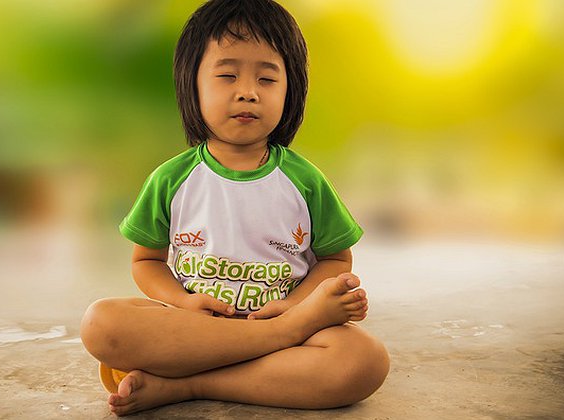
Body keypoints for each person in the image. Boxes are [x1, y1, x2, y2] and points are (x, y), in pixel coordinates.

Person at [80, 0, 389, 415]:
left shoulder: (306, 181)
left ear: (290, 90)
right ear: (193, 85)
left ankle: (188, 384)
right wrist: (184, 302)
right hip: (196, 332)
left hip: (280, 317)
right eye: (227, 75)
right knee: (102, 324)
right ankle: (271, 343)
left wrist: (296, 305)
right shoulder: (171, 179)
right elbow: (146, 262)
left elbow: (335, 260)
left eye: (267, 78)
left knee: (363, 361)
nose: (248, 91)